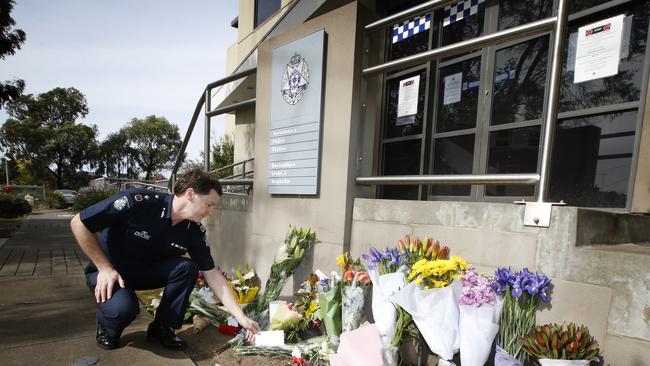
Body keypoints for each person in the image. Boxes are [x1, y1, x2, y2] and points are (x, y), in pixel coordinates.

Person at [70, 169, 260, 350]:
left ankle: (162, 328)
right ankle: (107, 326)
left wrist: (241, 318)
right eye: (209, 204)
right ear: (190, 194)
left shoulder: (193, 231)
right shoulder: (138, 202)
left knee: (188, 267)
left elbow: (212, 276)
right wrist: (104, 267)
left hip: (146, 272)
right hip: (111, 273)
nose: (211, 212)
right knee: (123, 310)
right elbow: (79, 223)